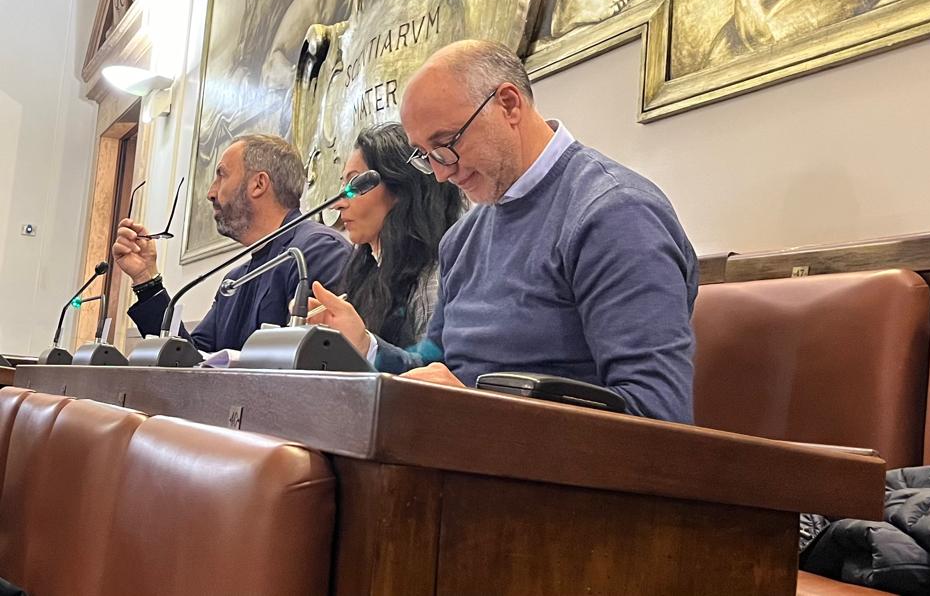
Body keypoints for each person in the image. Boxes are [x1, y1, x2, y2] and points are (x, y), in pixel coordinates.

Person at [309, 40, 699, 423]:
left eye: (446, 144)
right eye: (427, 156)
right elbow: (437, 366)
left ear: (509, 105)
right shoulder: (462, 238)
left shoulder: (615, 214)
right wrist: (365, 345)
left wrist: (474, 409)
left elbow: (656, 416)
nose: (441, 173)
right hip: (462, 446)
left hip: (541, 461)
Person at [113, 134, 351, 352]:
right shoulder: (235, 280)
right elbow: (190, 359)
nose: (211, 193)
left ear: (258, 184)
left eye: (221, 175)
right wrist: (146, 279)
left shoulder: (319, 250)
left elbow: (316, 362)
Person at [332, 122, 464, 347]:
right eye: (343, 185)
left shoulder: (434, 280)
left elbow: (430, 366)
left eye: (356, 184)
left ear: (401, 189)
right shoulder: (367, 271)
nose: (339, 203)